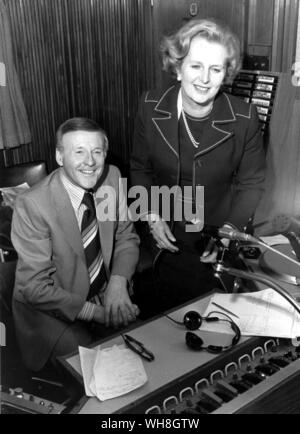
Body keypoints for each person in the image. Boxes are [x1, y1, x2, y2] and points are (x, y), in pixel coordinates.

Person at [130, 18, 266, 312]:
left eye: (215, 69)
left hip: (217, 240)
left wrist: (228, 234)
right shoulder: (149, 106)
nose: (205, 78)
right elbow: (140, 169)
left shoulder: (245, 117)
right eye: (195, 66)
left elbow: (252, 184)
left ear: (225, 74)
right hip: (164, 239)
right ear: (178, 68)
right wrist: (152, 216)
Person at [11, 117, 140, 372]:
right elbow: (34, 288)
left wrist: (117, 282)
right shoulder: (33, 204)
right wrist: (97, 313)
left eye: (96, 151)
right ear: (60, 157)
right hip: (51, 312)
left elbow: (126, 237)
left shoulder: (111, 177)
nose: (90, 162)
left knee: (148, 350)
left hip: (102, 294)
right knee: (96, 370)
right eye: (78, 151)